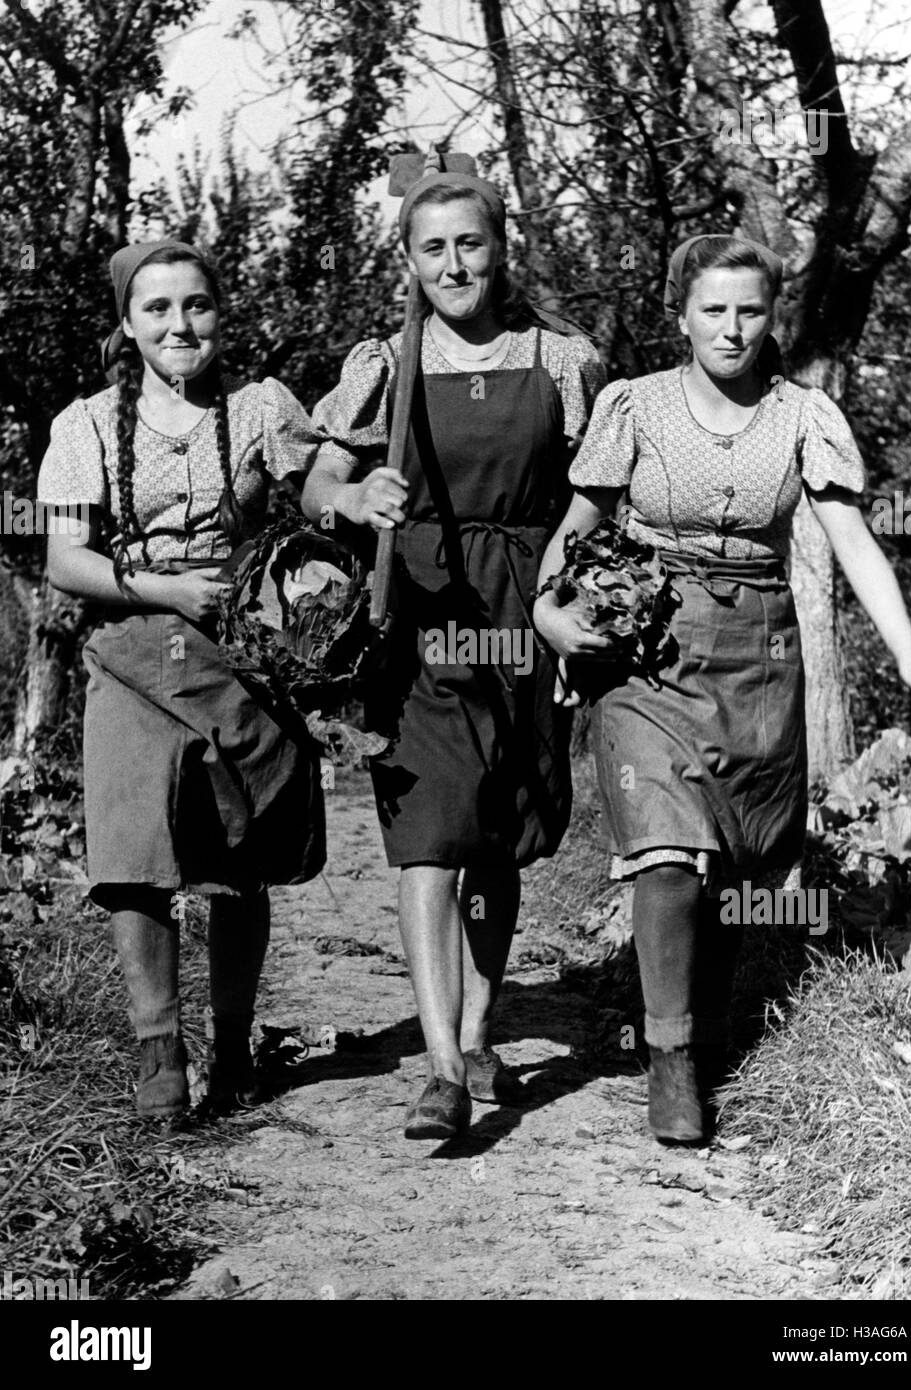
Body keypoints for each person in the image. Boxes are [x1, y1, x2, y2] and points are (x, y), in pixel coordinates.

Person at [533, 233, 911, 1145]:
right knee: (669, 853)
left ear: (771, 319)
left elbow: (851, 541)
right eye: (712, 310)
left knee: (731, 859)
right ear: (680, 315)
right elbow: (576, 525)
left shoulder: (801, 413)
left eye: (749, 311)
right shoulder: (632, 407)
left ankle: (707, 1026)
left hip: (758, 653)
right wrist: (548, 614)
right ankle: (670, 1058)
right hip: (646, 650)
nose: (730, 328)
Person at [304, 167, 606, 1139]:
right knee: (430, 837)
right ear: (406, 261)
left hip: (528, 606)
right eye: (431, 248)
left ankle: (481, 1027)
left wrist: (576, 605)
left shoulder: (563, 359)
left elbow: (596, 491)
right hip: (420, 615)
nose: (453, 264)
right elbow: (318, 480)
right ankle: (438, 1067)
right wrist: (356, 502)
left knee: (500, 833)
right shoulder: (384, 364)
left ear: (500, 246)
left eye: (469, 243)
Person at [36, 240, 327, 1120]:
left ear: (219, 314)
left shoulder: (260, 409)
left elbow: (321, 493)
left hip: (238, 651)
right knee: (136, 856)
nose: (178, 325)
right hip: (128, 649)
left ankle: (234, 1050)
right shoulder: (84, 426)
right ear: (128, 324)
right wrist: (166, 588)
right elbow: (64, 561)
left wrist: (343, 507)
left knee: (240, 857)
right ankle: (159, 1053)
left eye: (195, 305)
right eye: (157, 309)